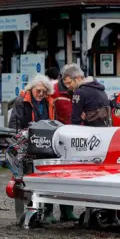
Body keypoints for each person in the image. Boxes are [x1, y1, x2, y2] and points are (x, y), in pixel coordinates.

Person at [41, 64, 82, 224]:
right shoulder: (54, 90)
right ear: (67, 79)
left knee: (69, 176)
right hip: (55, 137)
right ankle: (48, 211)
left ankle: (67, 211)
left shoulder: (79, 90)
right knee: (51, 174)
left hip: (74, 138)